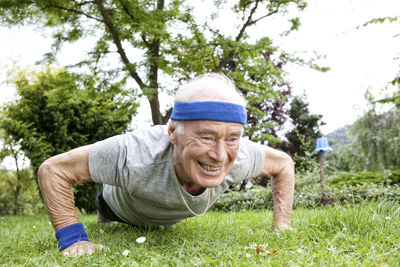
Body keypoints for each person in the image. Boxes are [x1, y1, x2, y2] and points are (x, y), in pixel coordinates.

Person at [38, 73, 295, 257]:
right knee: (106, 215)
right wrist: (73, 240)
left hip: (163, 217)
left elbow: (283, 164)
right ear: (172, 131)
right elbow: (54, 170)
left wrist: (282, 226)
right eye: (206, 137)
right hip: (117, 208)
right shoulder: (133, 153)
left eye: (232, 138)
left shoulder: (239, 156)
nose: (219, 155)